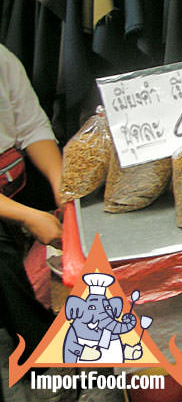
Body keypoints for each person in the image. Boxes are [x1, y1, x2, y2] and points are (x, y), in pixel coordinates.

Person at [0, 43, 64, 368]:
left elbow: (31, 126)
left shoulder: (2, 59)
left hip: (12, 177)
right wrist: (27, 217)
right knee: (6, 267)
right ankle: (37, 362)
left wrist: (60, 184)